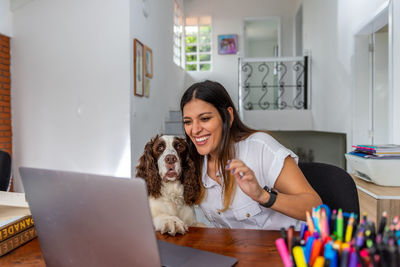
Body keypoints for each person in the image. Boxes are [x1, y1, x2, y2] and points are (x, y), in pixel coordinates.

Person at [180, 80, 322, 230]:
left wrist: (263, 196)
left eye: (205, 119)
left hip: (288, 247)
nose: (194, 130)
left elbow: (315, 207)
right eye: (188, 122)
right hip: (236, 250)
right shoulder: (192, 163)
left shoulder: (260, 147)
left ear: (227, 116)